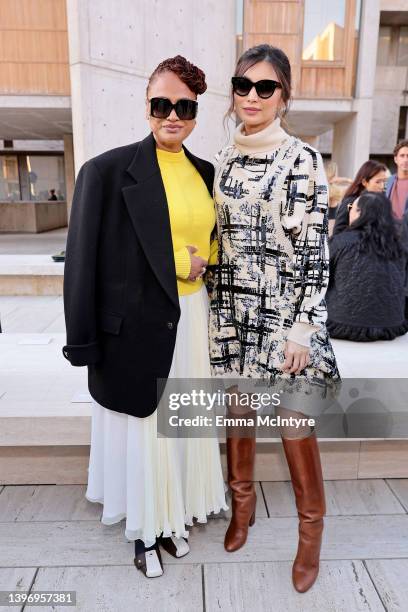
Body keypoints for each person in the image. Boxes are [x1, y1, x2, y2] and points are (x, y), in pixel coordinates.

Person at [63, 55, 227, 579]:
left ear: (197, 111)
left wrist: (204, 260)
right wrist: (82, 342)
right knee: (146, 429)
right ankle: (144, 531)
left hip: (190, 320)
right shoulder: (106, 171)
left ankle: (172, 516)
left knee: (180, 427)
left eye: (184, 106)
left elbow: (213, 243)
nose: (172, 115)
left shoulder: (206, 173)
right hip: (134, 326)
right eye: (161, 104)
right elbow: (84, 263)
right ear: (147, 105)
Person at [209, 44, 340, 593]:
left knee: (293, 426)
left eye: (266, 87)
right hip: (233, 312)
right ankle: (243, 508)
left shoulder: (302, 158)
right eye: (244, 85)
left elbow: (314, 250)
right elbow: (221, 237)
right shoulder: (225, 158)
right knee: (239, 419)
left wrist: (305, 328)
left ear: (284, 96)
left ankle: (311, 532)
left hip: (285, 317)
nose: (253, 96)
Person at [327, 192, 408, 341]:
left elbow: (322, 279)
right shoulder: (397, 246)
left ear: (360, 213)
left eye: (351, 207)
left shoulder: (340, 242)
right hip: (390, 326)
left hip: (341, 324)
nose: (349, 210)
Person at [332, 160, 388, 235]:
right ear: (365, 182)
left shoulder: (382, 201)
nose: (382, 186)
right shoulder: (351, 202)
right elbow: (338, 232)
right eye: (378, 182)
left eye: (384, 181)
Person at [386, 139, 408, 221]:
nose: (406, 160)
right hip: (390, 230)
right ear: (396, 159)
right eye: (402, 156)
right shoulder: (388, 181)